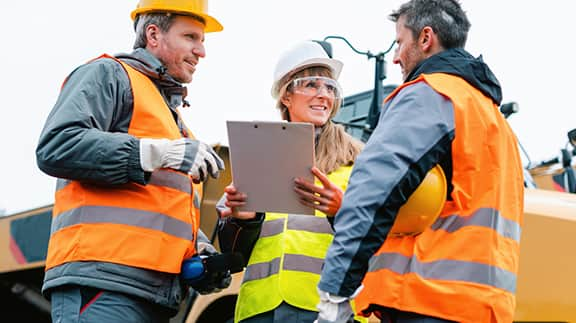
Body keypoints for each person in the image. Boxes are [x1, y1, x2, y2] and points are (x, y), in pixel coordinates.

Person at [315, 0, 525, 322]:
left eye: (400, 43)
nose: (396, 57)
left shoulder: (429, 94)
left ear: (426, 39)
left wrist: (336, 289)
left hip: (425, 300)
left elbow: (373, 193)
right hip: (484, 307)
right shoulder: (492, 118)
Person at [35, 1, 229, 322]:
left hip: (151, 294)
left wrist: (199, 251)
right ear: (153, 34)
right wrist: (158, 153)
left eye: (203, 41)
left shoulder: (173, 120)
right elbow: (56, 145)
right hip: (102, 284)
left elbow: (156, 209)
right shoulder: (109, 74)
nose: (201, 51)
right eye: (191, 37)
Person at [217, 40, 367, 323]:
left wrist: (342, 211)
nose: (323, 95)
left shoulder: (358, 160)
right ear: (286, 96)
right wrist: (245, 220)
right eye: (311, 85)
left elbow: (379, 240)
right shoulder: (257, 156)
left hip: (327, 308)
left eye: (329, 88)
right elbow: (235, 256)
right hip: (260, 309)